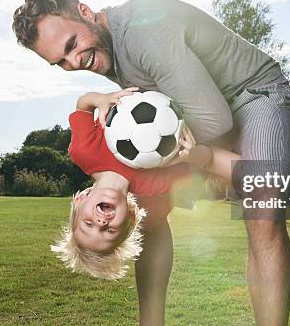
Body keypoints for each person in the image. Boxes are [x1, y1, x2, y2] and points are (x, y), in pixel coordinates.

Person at [13, 0, 290, 325]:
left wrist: (151, 157)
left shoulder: (141, 33)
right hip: (200, 125)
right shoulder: (102, 48)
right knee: (149, 213)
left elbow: (214, 121)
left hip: (251, 94)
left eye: (72, 44)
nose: (74, 63)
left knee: (262, 205)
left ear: (85, 12)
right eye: (60, 61)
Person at [51, 87, 239, 280]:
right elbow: (205, 163)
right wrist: (191, 154)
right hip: (192, 104)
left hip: (144, 82)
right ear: (130, 218)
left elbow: (83, 104)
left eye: (88, 224)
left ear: (80, 201)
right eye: (109, 230)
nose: (100, 222)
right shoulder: (153, 185)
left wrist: (101, 99)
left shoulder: (84, 152)